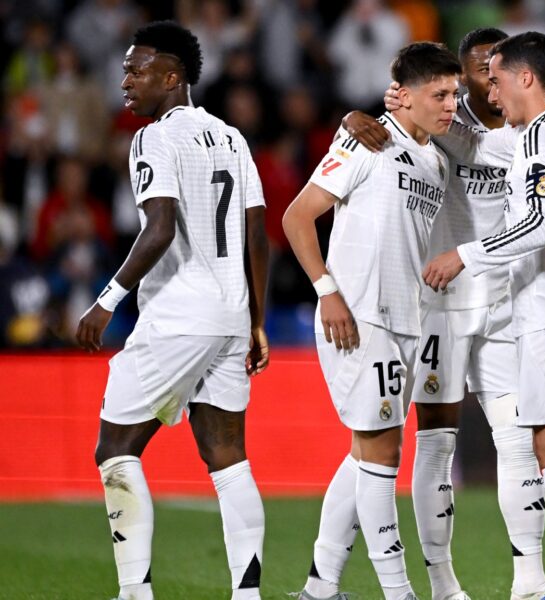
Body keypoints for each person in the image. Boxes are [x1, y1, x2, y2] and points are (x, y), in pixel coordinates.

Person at [343, 27, 545, 600]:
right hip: (439, 304)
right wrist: (355, 118)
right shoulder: (437, 125)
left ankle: (530, 582)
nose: (487, 81)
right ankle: (443, 583)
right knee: (436, 443)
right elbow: (394, 130)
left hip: (504, 300)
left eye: (496, 69)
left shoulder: (531, 132)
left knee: (517, 441)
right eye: (477, 72)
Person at [76, 21, 270, 600]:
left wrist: (106, 300)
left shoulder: (154, 138)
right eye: (125, 71)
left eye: (136, 70)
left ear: (171, 76)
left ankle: (134, 593)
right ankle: (247, 594)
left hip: (180, 315)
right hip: (231, 316)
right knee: (227, 458)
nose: (125, 81)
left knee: (115, 450)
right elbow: (257, 235)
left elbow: (158, 229)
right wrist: (255, 320)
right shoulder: (232, 137)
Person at [422, 32, 545, 600]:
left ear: (525, 77)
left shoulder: (542, 138)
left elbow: (539, 225)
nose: (490, 92)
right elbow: (478, 148)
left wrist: (465, 255)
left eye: (498, 78)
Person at [282, 41, 460, 600]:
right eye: (439, 94)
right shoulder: (367, 141)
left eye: (454, 94)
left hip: (405, 319)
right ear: (402, 96)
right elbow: (297, 217)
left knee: (365, 453)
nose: (450, 105)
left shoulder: (436, 160)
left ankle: (320, 587)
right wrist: (327, 291)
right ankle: (398, 591)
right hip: (359, 317)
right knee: (384, 453)